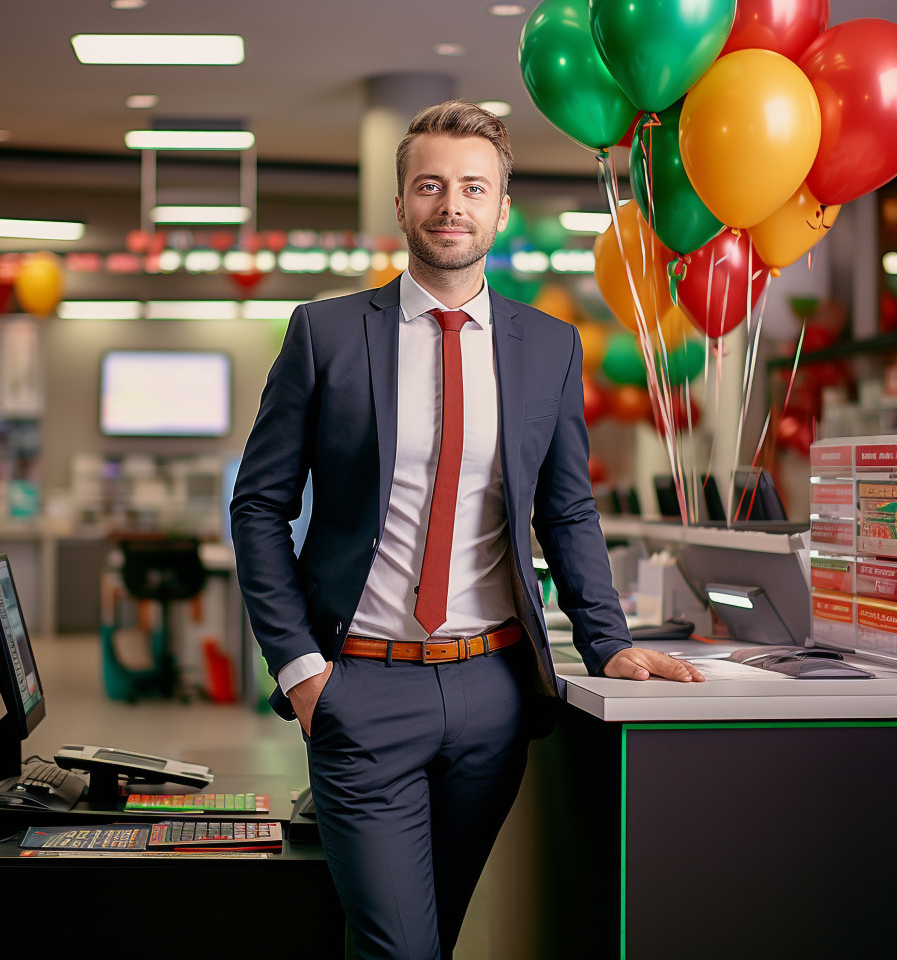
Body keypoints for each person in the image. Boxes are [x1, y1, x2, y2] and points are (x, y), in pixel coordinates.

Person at [230, 100, 704, 960]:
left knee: (433, 937)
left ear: (501, 208)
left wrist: (608, 643)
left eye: (473, 187)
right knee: (399, 947)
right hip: (359, 687)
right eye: (431, 185)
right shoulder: (326, 334)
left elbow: (566, 509)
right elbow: (259, 506)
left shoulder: (549, 347)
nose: (451, 204)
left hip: (492, 692)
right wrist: (301, 670)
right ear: (401, 203)